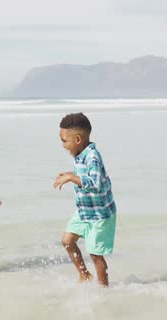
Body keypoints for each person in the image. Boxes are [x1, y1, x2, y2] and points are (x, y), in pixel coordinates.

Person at [53, 113, 117, 287]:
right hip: (85, 210)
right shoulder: (80, 155)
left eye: (64, 141)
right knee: (67, 241)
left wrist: (71, 178)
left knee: (96, 255)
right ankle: (84, 275)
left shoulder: (93, 157)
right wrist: (70, 174)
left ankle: (104, 289)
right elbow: (85, 176)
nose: (63, 145)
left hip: (100, 214)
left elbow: (95, 183)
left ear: (78, 139)